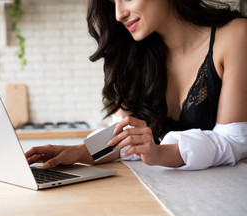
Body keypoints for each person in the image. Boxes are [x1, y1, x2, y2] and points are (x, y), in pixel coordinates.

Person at [26, 0, 247, 170]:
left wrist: (160, 154)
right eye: (113, 2)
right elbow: (126, 136)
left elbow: (234, 141)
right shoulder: (132, 53)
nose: (119, 14)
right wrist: (79, 152)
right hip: (160, 199)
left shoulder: (235, 36)